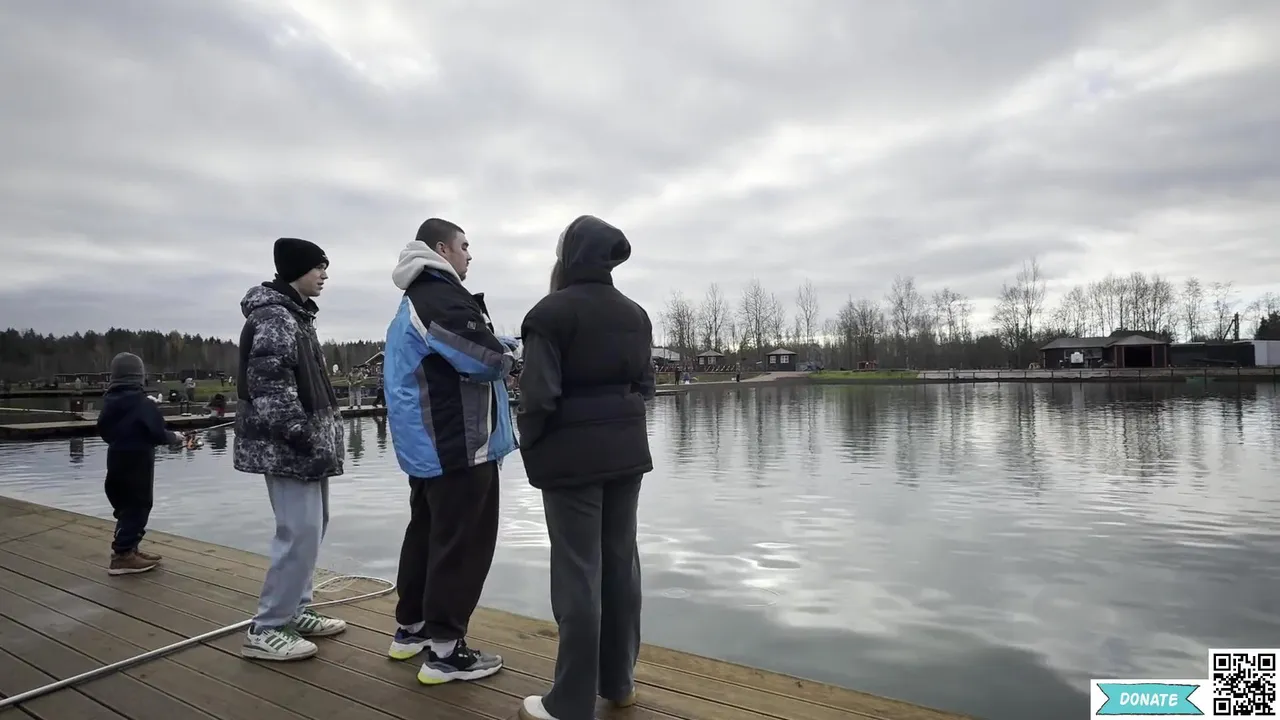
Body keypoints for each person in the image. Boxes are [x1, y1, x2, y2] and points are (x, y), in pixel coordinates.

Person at [515, 216, 655, 720]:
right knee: (620, 567)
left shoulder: (549, 314)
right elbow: (646, 386)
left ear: (569, 255)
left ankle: (570, 703)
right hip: (627, 454)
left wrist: (529, 442)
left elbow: (538, 396)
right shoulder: (636, 314)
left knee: (578, 575)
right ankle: (619, 684)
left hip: (571, 460)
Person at [383, 217, 519, 685]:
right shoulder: (440, 295)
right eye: (464, 245)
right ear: (442, 249)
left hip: (430, 449)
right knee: (462, 546)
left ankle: (412, 629)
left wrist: (498, 342)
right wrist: (514, 355)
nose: (469, 254)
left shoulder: (417, 297)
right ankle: (445, 652)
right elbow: (485, 360)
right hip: (459, 446)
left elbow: (452, 348)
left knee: (427, 537)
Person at [233, 237, 347, 662]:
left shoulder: (296, 315)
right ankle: (266, 628)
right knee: (297, 532)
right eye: (318, 267)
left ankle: (296, 609)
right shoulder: (275, 317)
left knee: (312, 529)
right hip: (288, 447)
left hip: (307, 446)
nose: (324, 275)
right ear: (297, 269)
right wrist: (300, 431)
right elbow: (268, 384)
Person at [96, 352, 185, 576]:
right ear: (138, 376)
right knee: (139, 506)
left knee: (124, 506)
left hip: (115, 459)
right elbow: (157, 433)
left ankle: (130, 549)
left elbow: (104, 430)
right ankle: (123, 555)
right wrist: (175, 437)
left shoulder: (109, 402)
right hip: (138, 463)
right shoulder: (143, 403)